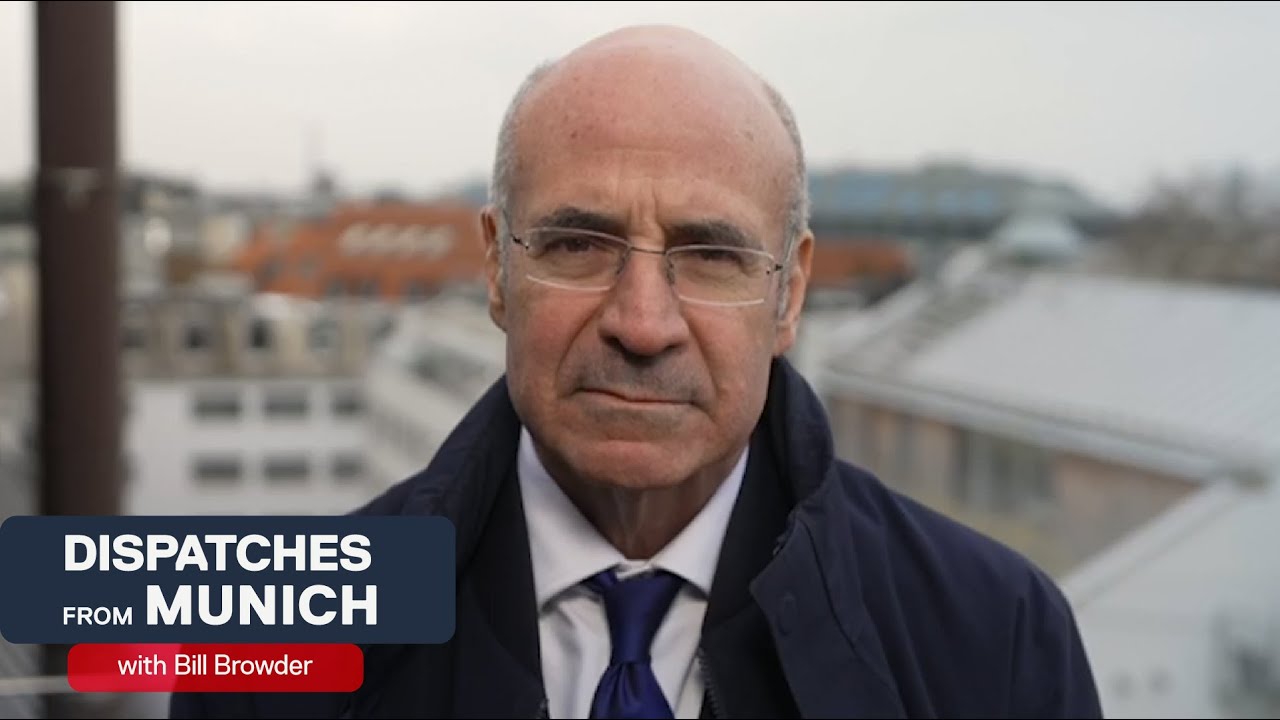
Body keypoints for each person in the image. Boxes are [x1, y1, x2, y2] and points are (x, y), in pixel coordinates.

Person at [171, 24, 1102, 720]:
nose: (643, 324)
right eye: (578, 244)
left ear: (790, 293)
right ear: (496, 268)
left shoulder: (1000, 640)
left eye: (712, 256)